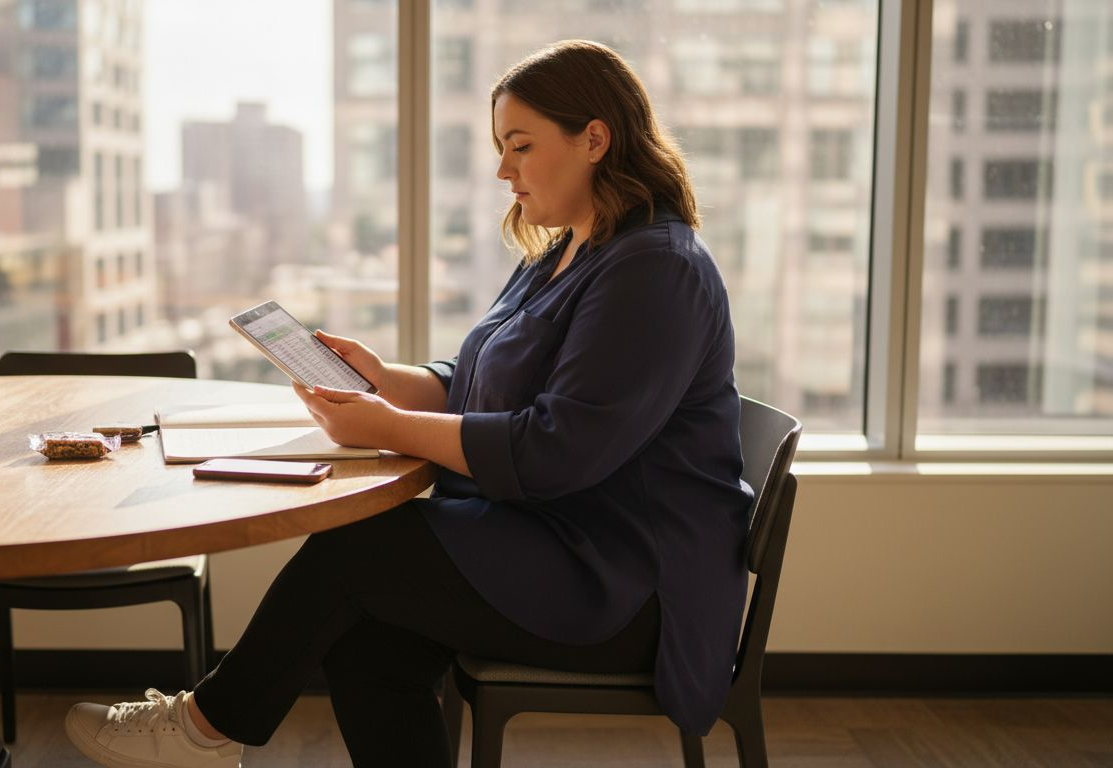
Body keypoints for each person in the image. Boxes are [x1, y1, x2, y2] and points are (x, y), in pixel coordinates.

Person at [64, 39, 753, 768]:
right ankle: (209, 729)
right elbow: (482, 379)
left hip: (628, 585)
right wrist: (385, 379)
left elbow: (557, 447)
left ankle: (205, 729)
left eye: (520, 146)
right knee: (368, 639)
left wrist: (391, 427)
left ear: (594, 138)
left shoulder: (655, 270)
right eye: (499, 147)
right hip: (559, 540)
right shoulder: (567, 251)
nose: (502, 170)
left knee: (360, 547)